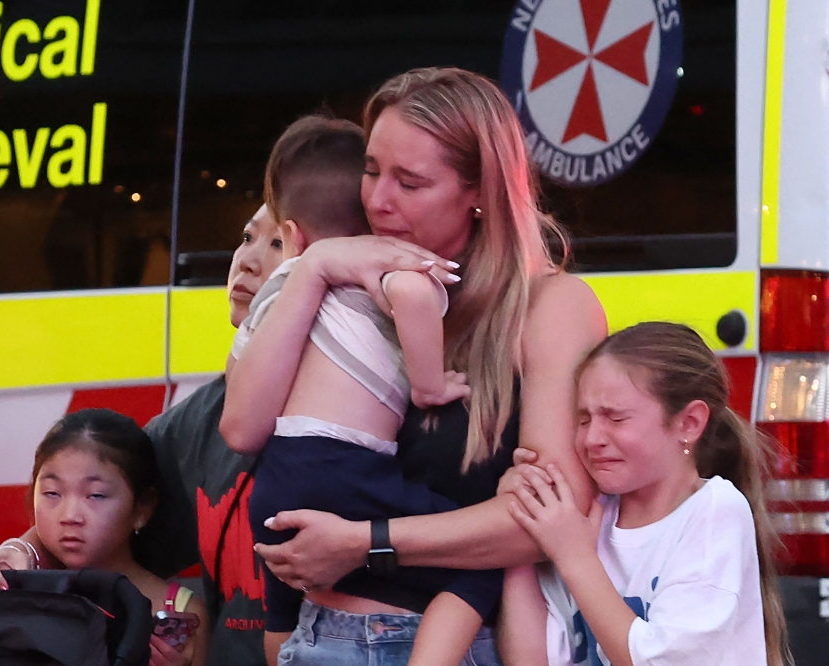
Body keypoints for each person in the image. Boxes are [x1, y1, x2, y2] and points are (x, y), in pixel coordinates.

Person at [220, 66, 607, 662]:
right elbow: (242, 428)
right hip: (316, 636)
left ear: (481, 192)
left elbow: (544, 523)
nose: (377, 200)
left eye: (411, 182)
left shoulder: (549, 308)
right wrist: (318, 266)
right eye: (371, 171)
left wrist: (365, 544)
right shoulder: (347, 284)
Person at [0, 205, 286, 666]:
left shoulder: (378, 402)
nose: (247, 260)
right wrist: (14, 557)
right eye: (246, 237)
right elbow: (94, 489)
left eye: (279, 243)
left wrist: (372, 541)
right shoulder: (200, 420)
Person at [227, 115, 501, 666]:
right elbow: (415, 298)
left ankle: (280, 642)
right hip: (345, 467)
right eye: (375, 174)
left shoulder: (277, 291)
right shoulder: (382, 264)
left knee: (283, 555)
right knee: (482, 564)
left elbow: (239, 416)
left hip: (278, 474)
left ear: (294, 235)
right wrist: (430, 384)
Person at [497, 322, 792, 666]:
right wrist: (521, 524)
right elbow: (532, 660)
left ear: (689, 423)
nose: (593, 439)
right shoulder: (587, 517)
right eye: (583, 419)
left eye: (615, 418)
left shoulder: (713, 510)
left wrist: (575, 557)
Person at [0, 408, 211, 666]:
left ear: (142, 508)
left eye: (95, 496)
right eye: (51, 493)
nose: (70, 516)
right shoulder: (2, 582)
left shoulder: (181, 614)